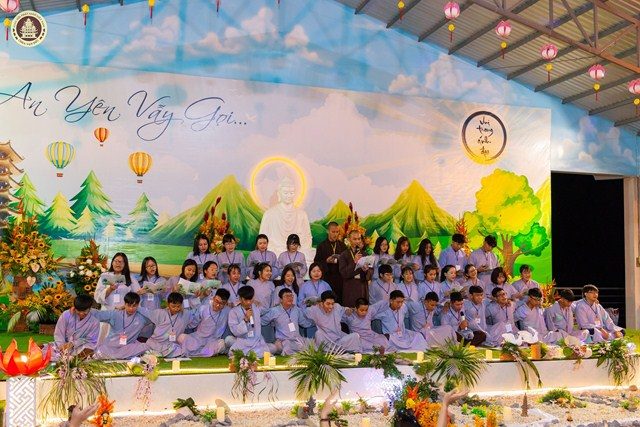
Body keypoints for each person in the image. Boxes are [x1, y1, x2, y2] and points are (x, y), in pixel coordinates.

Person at [259, 176, 313, 257]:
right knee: (270, 254)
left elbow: (307, 237)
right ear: (279, 193)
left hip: (297, 250)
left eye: (291, 193)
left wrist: (299, 247)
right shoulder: (269, 214)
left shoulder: (302, 214)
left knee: (309, 254)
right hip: (276, 250)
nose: (289, 196)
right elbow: (262, 238)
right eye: (285, 193)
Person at [94, 252, 139, 341]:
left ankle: (120, 350)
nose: (118, 264)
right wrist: (110, 289)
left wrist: (126, 307)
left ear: (125, 264)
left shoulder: (130, 277)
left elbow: (136, 295)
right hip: (107, 311)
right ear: (112, 262)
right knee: (104, 336)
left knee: (121, 338)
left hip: (123, 312)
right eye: (116, 261)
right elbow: (97, 297)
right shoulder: (105, 276)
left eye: (121, 262)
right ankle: (102, 349)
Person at [94, 292, 150, 359]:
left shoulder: (142, 318)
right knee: (102, 350)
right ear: (124, 304)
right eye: (129, 305)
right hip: (111, 346)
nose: (131, 308)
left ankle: (120, 356)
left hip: (127, 347)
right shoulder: (115, 314)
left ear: (138, 305)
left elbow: (156, 317)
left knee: (144, 347)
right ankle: (123, 356)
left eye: (134, 306)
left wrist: (139, 309)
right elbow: (98, 314)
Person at [181, 288, 234, 357]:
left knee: (222, 344)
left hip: (213, 341)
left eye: (222, 303)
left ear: (226, 303)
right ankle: (203, 352)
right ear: (213, 298)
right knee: (181, 337)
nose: (218, 305)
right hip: (198, 338)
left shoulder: (228, 311)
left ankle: (198, 352)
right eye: (217, 301)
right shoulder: (203, 308)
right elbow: (192, 324)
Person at [261, 288, 313, 355]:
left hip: (297, 339)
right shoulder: (274, 311)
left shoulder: (297, 309)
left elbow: (304, 323)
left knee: (311, 344)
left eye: (291, 296)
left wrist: (315, 322)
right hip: (284, 341)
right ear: (281, 299)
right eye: (287, 296)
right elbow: (262, 321)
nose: (290, 298)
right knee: (287, 347)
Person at [46, 294, 99, 359]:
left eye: (84, 311)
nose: (81, 313)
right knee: (45, 350)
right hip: (63, 345)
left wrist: (73, 344)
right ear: (74, 307)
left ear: (90, 308)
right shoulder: (66, 315)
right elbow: (59, 333)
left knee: (88, 351)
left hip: (80, 347)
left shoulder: (94, 322)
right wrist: (62, 347)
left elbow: (91, 341)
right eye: (78, 311)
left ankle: (75, 358)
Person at [142, 292, 193, 357]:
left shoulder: (185, 314)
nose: (176, 309)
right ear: (168, 304)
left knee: (183, 351)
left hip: (172, 344)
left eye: (178, 306)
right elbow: (146, 312)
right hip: (157, 342)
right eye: (173, 306)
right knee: (149, 349)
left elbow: (195, 319)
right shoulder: (161, 313)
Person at [228, 285, 273, 354]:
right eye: (246, 300)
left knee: (273, 348)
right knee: (229, 341)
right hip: (242, 341)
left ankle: (248, 353)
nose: (249, 302)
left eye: (250, 299)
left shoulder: (257, 307)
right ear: (240, 299)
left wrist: (259, 303)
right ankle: (249, 352)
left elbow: (267, 310)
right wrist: (246, 320)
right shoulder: (233, 312)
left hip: (256, 341)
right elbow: (235, 331)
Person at [314, 221, 347, 300]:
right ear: (328, 231)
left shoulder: (342, 246)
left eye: (337, 232)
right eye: (333, 232)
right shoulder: (321, 246)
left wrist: (341, 259)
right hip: (327, 278)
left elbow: (347, 262)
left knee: (339, 301)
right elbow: (316, 263)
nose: (335, 234)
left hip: (340, 279)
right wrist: (326, 261)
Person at [339, 230, 370, 307]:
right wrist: (355, 262)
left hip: (362, 286)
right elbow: (344, 273)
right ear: (349, 240)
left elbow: (370, 273)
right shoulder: (344, 255)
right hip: (350, 287)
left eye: (359, 239)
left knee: (362, 310)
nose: (357, 241)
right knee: (351, 310)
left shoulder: (365, 254)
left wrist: (366, 270)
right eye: (354, 239)